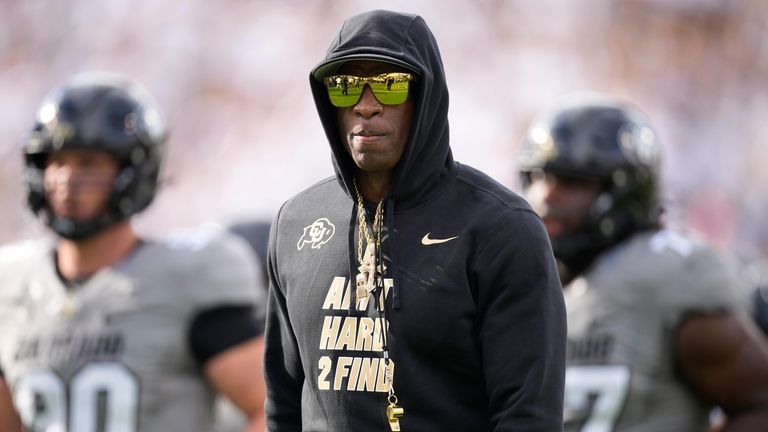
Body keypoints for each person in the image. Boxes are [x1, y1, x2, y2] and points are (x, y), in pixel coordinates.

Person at [264, 9, 566, 432]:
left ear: (426, 96)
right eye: (346, 86)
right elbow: (283, 406)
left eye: (390, 86)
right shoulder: (296, 223)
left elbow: (527, 416)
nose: (365, 106)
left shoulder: (501, 229)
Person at [0, 72, 266, 432]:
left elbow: (268, 409)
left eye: (89, 162)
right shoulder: (12, 285)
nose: (67, 179)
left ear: (133, 170)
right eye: (57, 160)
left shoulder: (186, 278)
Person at [517, 94, 768, 431]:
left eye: (571, 180)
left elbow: (758, 403)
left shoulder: (666, 274)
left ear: (626, 188)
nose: (545, 195)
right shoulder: (527, 275)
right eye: (538, 177)